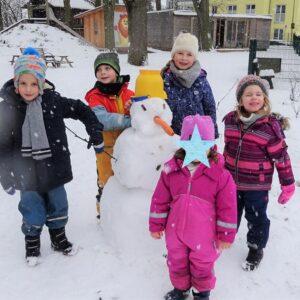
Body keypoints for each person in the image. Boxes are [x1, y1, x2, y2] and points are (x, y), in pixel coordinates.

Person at [0, 47, 104, 266]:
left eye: (34, 84)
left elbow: (81, 110)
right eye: (23, 83)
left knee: (58, 204)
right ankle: (32, 242)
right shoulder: (7, 109)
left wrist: (94, 130)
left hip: (54, 168)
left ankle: (58, 238)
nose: (29, 89)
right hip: (25, 172)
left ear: (42, 83)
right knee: (31, 208)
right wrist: (5, 175)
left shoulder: (53, 101)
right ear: (15, 82)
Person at [149, 115, 237, 300]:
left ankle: (202, 292)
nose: (197, 148)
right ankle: (180, 289)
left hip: (205, 234)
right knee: (176, 261)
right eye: (191, 142)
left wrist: (226, 234)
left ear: (212, 145)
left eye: (203, 143)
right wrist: (156, 225)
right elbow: (160, 199)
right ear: (183, 143)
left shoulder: (220, 175)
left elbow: (227, 207)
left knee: (202, 264)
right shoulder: (171, 170)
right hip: (175, 232)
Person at [223, 74, 295, 271]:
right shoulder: (230, 121)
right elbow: (227, 149)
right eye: (248, 94)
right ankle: (223, 238)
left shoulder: (270, 128)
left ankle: (256, 247)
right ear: (240, 99)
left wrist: (287, 183)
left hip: (257, 185)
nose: (254, 98)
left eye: (258, 94)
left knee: (256, 217)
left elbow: (281, 156)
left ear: (265, 98)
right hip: (230, 182)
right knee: (229, 213)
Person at [85, 50, 134, 219]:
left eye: (107, 68)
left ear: (116, 71)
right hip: (105, 149)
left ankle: (124, 214)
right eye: (99, 70)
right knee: (106, 181)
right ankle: (104, 214)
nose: (103, 72)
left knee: (127, 180)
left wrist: (132, 109)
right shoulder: (95, 96)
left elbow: (140, 112)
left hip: (127, 148)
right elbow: (101, 119)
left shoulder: (129, 94)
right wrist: (129, 120)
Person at [161, 32, 218, 138]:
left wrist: (211, 133)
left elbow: (210, 108)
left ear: (194, 58)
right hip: (171, 135)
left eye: (189, 54)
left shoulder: (200, 80)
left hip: (196, 136)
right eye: (180, 53)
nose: (184, 58)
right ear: (173, 55)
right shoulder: (165, 79)